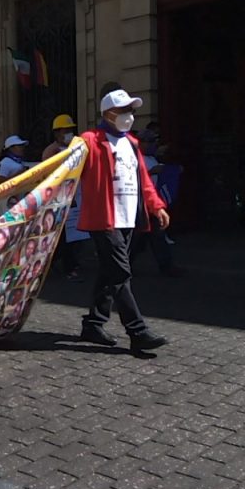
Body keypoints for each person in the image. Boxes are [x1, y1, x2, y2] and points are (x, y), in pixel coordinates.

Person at [76, 89, 170, 354]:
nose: (129, 116)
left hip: (128, 217)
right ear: (108, 114)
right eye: (124, 110)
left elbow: (144, 181)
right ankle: (137, 331)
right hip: (103, 219)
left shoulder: (132, 143)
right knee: (120, 273)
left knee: (109, 272)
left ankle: (93, 324)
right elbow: (65, 166)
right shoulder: (89, 140)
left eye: (131, 110)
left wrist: (156, 207)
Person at [129, 129, 182, 278]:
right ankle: (123, 266)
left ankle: (167, 266)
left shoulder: (152, 158)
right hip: (139, 204)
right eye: (150, 141)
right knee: (136, 239)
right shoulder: (135, 158)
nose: (153, 145)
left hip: (150, 204)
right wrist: (152, 171)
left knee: (156, 236)